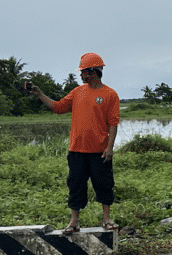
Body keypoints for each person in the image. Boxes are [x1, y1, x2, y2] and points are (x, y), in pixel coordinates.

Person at [29, 52, 120, 234]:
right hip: (77, 150)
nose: (80, 75)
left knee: (104, 184)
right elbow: (58, 107)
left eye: (83, 71)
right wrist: (40, 94)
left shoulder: (110, 95)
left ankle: (107, 218)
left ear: (93, 71)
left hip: (100, 151)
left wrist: (109, 148)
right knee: (76, 185)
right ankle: (74, 221)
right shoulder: (77, 92)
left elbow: (113, 123)